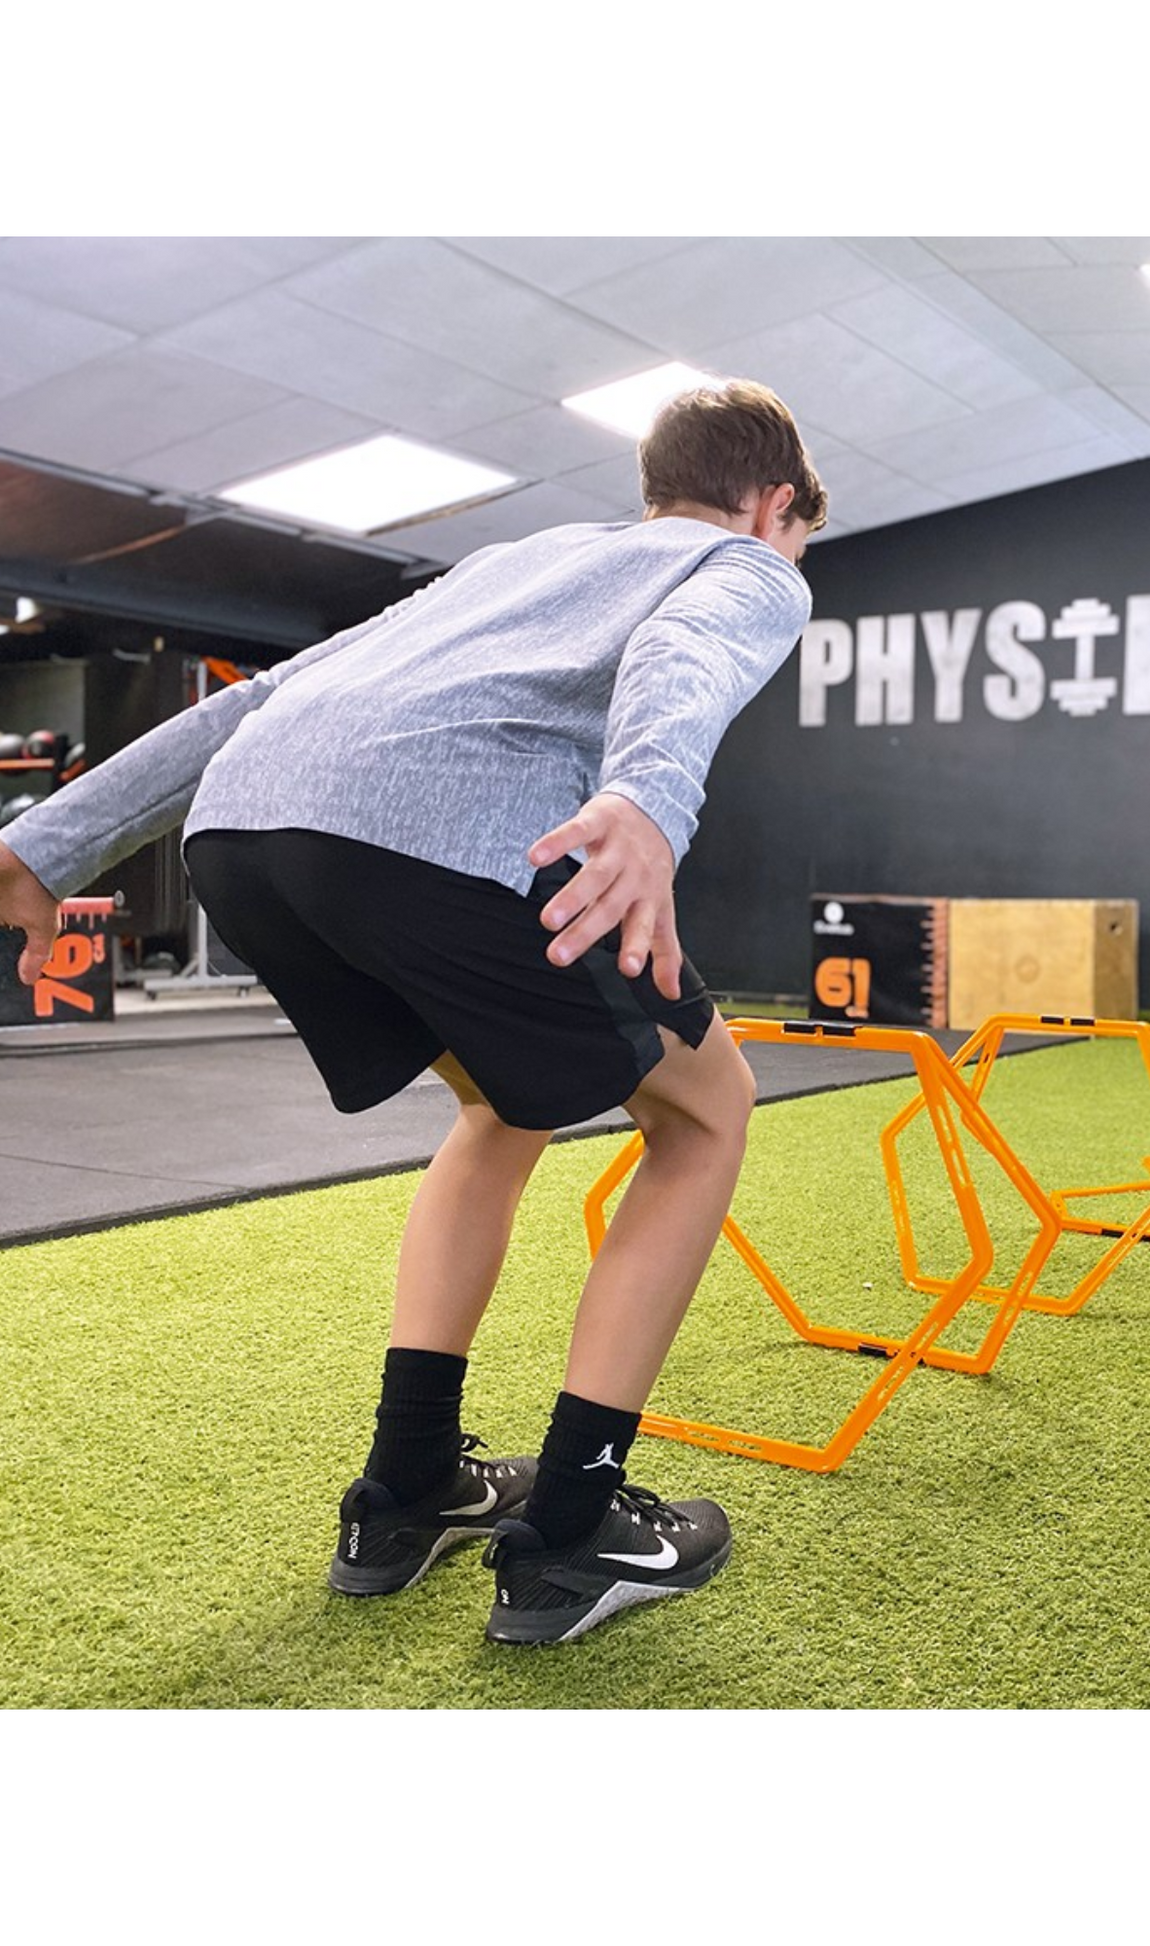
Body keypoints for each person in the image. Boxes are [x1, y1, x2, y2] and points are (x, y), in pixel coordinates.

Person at [0, 379, 825, 1647]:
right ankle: (573, 1528)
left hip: (253, 833)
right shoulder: (747, 562)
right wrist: (649, 801)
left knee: (498, 1107)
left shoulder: (514, 560)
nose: (786, 553)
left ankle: (408, 1485)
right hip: (443, 838)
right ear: (774, 503)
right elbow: (686, 654)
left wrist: (51, 839)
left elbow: (255, 698)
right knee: (706, 1114)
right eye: (795, 533)